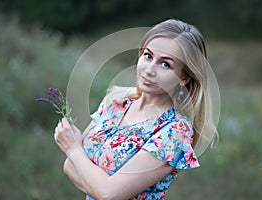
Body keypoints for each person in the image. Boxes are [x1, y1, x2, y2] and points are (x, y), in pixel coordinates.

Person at [54, 19, 220, 200]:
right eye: (148, 56)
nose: (149, 70)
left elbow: (109, 194)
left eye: (165, 64)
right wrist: (95, 181)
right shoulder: (116, 102)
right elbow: (69, 167)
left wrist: (73, 149)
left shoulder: (174, 132)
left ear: (184, 78)